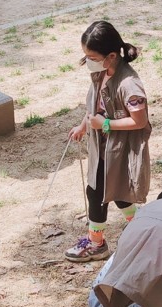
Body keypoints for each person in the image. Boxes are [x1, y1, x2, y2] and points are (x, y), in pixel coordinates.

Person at [65, 20, 151, 262]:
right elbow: (95, 104)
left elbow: (139, 121)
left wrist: (103, 125)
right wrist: (84, 125)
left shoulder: (129, 84)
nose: (88, 61)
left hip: (119, 149)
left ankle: (96, 243)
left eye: (91, 56)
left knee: (97, 192)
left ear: (112, 55)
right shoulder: (101, 72)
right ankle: (143, 227)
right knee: (118, 192)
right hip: (102, 146)